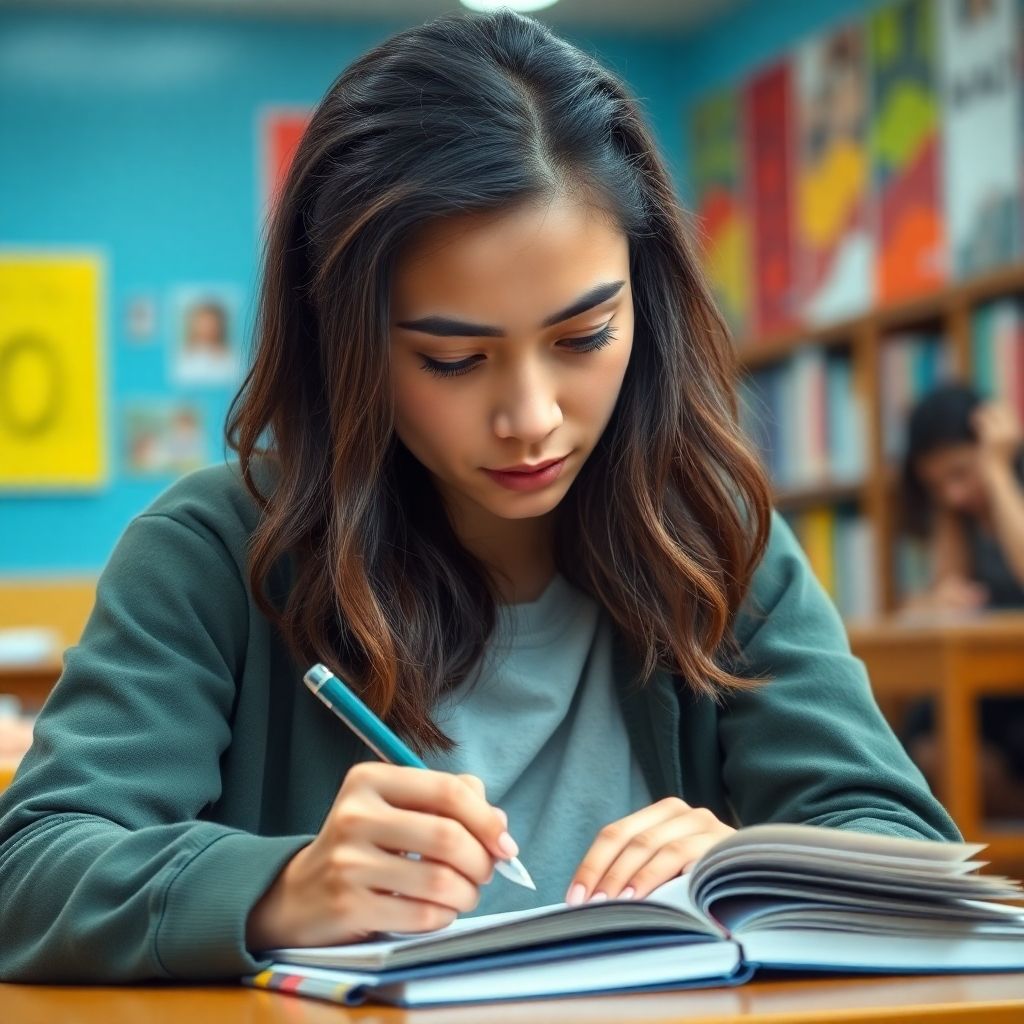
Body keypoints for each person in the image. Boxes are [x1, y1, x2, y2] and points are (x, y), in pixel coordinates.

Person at [0, 9, 959, 985]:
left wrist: (748, 867)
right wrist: (282, 885)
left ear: (646, 298)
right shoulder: (212, 553)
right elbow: (28, 870)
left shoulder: (709, 538)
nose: (532, 418)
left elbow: (907, 851)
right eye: (453, 359)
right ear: (349, 342)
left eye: (583, 339)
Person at [899, 383, 1024, 820]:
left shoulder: (1007, 486)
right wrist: (937, 601)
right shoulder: (958, 514)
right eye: (935, 484)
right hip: (986, 683)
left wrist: (995, 468)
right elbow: (950, 591)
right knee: (922, 732)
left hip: (1014, 681)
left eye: (959, 473)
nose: (951, 494)